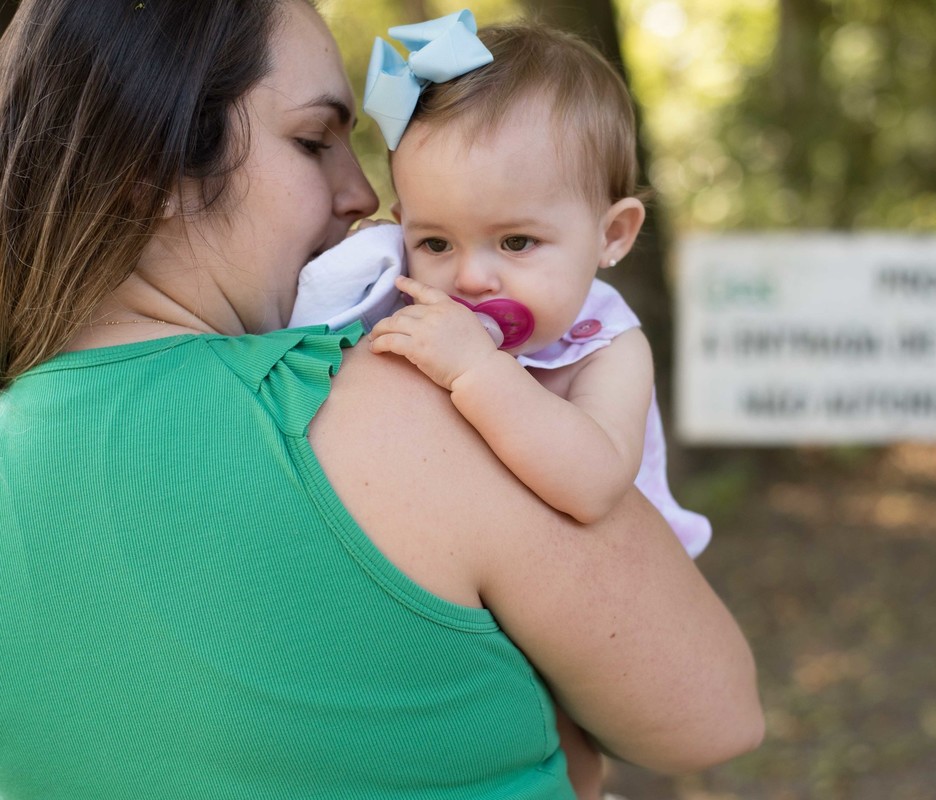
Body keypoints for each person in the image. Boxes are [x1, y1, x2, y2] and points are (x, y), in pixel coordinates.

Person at [0, 2, 763, 799]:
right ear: (147, 171)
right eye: (312, 141)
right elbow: (713, 717)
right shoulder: (412, 401)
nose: (365, 197)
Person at [289, 14, 712, 560]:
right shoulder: (415, 302)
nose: (469, 279)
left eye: (516, 243)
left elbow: (594, 486)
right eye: (436, 244)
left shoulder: (607, 346)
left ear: (611, 234)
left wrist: (476, 372)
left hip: (617, 581)